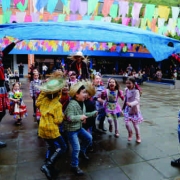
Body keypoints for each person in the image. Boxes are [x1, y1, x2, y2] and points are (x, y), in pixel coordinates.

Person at [36, 78, 67, 180]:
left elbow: (37, 103)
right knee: (62, 147)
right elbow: (58, 120)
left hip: (42, 128)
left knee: (51, 147)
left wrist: (44, 91)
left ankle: (50, 168)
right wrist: (62, 115)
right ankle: (48, 165)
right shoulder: (57, 105)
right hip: (52, 129)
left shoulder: (43, 100)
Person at [64, 81, 97, 176]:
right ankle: (74, 166)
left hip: (78, 127)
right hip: (71, 130)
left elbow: (83, 115)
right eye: (84, 92)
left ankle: (82, 152)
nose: (86, 94)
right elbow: (69, 118)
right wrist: (80, 118)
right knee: (76, 148)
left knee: (89, 138)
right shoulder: (72, 104)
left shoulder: (81, 103)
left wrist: (92, 113)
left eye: (86, 92)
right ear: (76, 94)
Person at [0, 40, 21, 147]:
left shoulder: (0, 55)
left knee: (2, 111)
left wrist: (15, 42)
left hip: (1, 87)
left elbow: (5, 50)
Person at [123, 77, 143, 143]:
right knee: (126, 124)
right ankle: (130, 132)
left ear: (133, 83)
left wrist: (131, 104)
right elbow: (125, 98)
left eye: (129, 83)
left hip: (134, 110)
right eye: (126, 83)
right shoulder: (126, 89)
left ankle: (138, 136)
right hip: (127, 109)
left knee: (135, 125)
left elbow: (137, 100)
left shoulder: (136, 91)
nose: (128, 85)